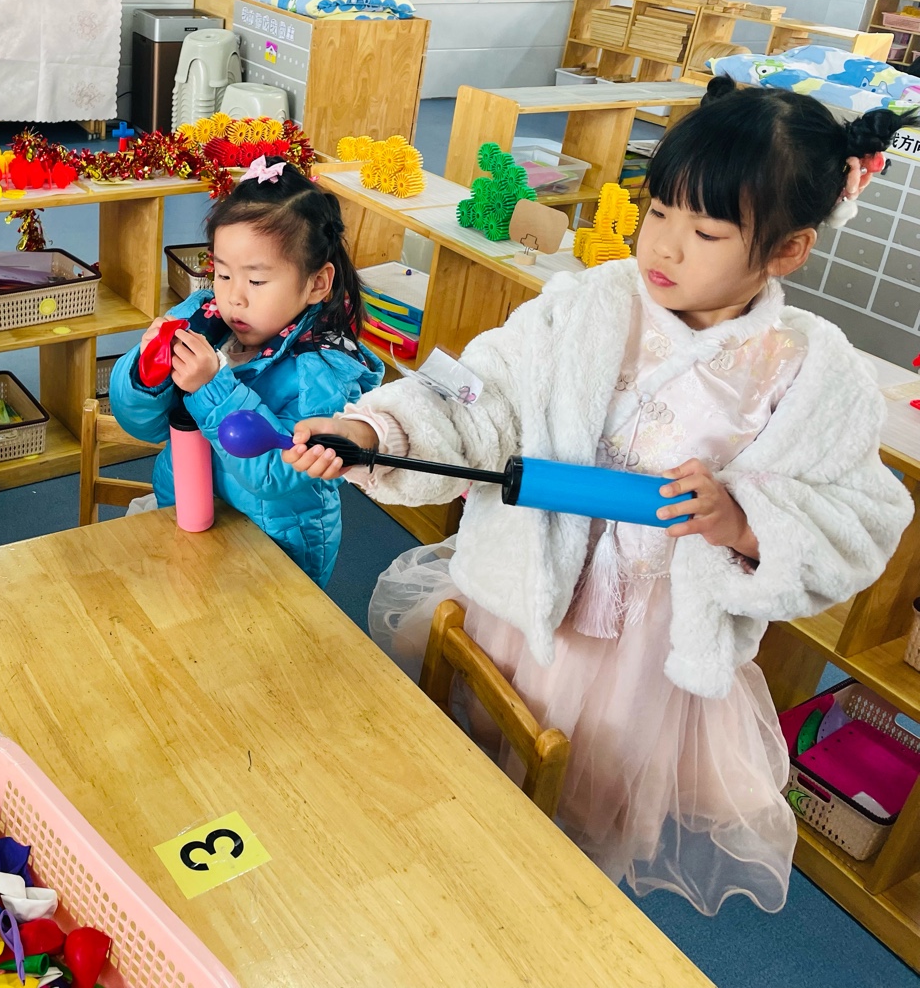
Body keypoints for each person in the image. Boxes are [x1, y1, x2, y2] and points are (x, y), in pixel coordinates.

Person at [283, 77, 915, 913]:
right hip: (521, 603)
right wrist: (376, 430)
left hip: (636, 659)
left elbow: (861, 521)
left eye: (706, 232)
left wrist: (742, 521)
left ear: (788, 250)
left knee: (568, 830)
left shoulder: (810, 373)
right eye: (659, 212)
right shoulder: (589, 305)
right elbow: (483, 394)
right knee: (461, 766)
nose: (666, 248)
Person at [108, 156, 382, 585]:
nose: (234, 297)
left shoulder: (324, 368)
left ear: (317, 283)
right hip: (188, 512)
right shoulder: (204, 320)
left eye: (256, 281)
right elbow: (142, 425)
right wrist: (146, 374)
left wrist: (210, 387)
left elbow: (276, 474)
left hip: (273, 548)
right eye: (221, 274)